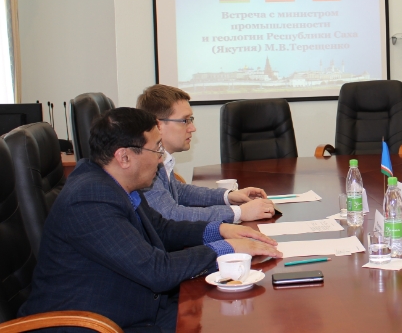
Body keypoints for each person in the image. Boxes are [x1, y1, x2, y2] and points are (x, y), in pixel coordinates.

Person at [18, 108, 282, 331]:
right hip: (97, 323)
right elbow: (158, 271)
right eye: (157, 149)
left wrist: (222, 230)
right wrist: (227, 249)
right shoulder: (90, 199)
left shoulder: (113, 183)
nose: (161, 159)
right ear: (124, 157)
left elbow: (161, 228)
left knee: (236, 314)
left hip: (134, 305)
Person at [136, 84, 275, 222]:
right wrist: (239, 212)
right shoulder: (146, 165)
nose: (192, 128)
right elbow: (171, 215)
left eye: (191, 120)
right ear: (158, 125)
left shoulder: (163, 158)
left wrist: (228, 196)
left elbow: (180, 192)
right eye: (185, 121)